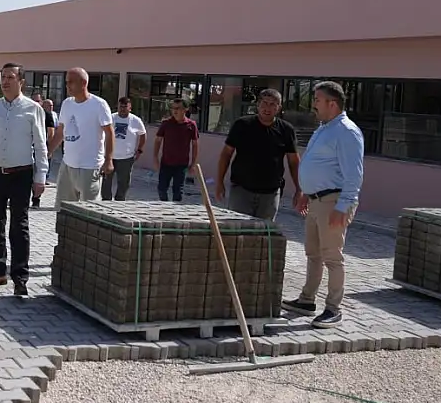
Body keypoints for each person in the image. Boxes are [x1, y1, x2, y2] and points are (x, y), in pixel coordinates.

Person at [283, 81, 365, 329]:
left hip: (333, 201)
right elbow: (317, 165)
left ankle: (333, 308)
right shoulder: (324, 128)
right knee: (313, 253)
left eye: (317, 99)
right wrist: (306, 192)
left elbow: (354, 174)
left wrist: (343, 205)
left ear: (332, 103)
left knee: (332, 256)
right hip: (316, 200)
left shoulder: (346, 131)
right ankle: (307, 300)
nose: (313, 104)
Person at [0, 63, 48, 297]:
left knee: (19, 226)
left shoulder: (33, 109)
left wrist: (41, 176)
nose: (5, 81)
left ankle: (20, 278)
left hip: (21, 175)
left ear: (21, 82)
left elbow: (41, 145)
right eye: (3, 77)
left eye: (10, 77)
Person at [215, 89, 300, 221]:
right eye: (264, 103)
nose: (268, 108)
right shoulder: (242, 125)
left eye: (273, 104)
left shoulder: (286, 130)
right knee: (238, 231)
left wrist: (299, 189)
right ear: (258, 105)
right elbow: (226, 154)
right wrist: (219, 182)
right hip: (241, 190)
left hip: (270, 193)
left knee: (264, 234)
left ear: (279, 108)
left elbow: (293, 161)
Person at [47, 68, 114, 207]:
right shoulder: (67, 103)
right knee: (63, 209)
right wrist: (48, 151)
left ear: (83, 83)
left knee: (89, 211)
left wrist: (109, 160)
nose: (67, 85)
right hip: (67, 165)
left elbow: (109, 133)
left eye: (71, 82)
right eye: (66, 82)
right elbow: (60, 132)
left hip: (89, 167)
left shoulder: (99, 105)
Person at [152, 98, 199, 202]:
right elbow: (158, 140)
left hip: (182, 165)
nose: (175, 111)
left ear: (185, 110)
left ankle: (175, 212)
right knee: (162, 189)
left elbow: (195, 144)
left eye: (178, 108)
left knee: (178, 191)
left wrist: (193, 163)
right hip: (166, 163)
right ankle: (165, 208)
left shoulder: (191, 125)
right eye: (173, 108)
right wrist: (155, 158)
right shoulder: (166, 123)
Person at [101, 97, 147, 201]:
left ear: (130, 108)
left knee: (124, 183)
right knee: (106, 182)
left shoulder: (135, 121)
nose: (122, 109)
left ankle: (120, 201)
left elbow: (143, 134)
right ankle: (106, 201)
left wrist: (139, 150)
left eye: (125, 107)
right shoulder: (110, 118)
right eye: (120, 106)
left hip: (126, 158)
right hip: (109, 156)